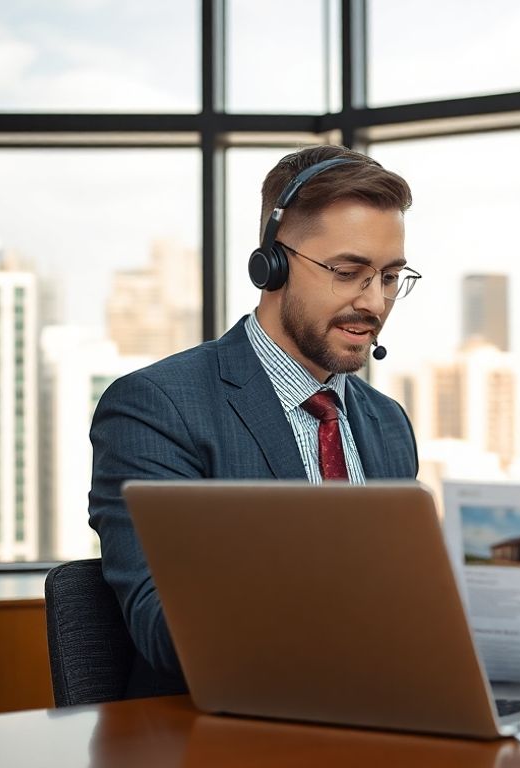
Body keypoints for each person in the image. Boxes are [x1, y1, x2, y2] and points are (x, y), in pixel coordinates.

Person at [88, 146, 421, 698]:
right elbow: (166, 629)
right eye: (348, 272)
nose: (375, 302)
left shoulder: (386, 422)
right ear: (273, 264)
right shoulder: (156, 408)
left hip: (383, 714)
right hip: (228, 733)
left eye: (390, 277)